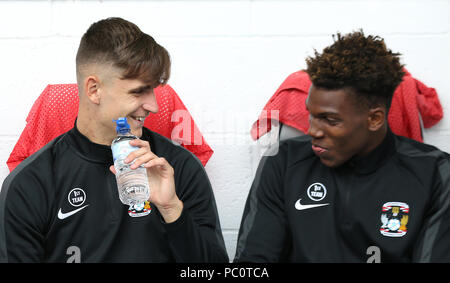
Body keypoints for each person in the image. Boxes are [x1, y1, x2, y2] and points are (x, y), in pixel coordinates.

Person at [0, 17, 228, 263]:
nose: (153, 105)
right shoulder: (31, 183)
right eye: (139, 91)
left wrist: (172, 208)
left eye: (153, 90)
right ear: (94, 90)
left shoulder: (178, 167)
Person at [234, 30, 450, 263]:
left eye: (330, 120)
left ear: (375, 119)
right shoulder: (283, 162)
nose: (313, 131)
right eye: (312, 115)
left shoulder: (435, 173)